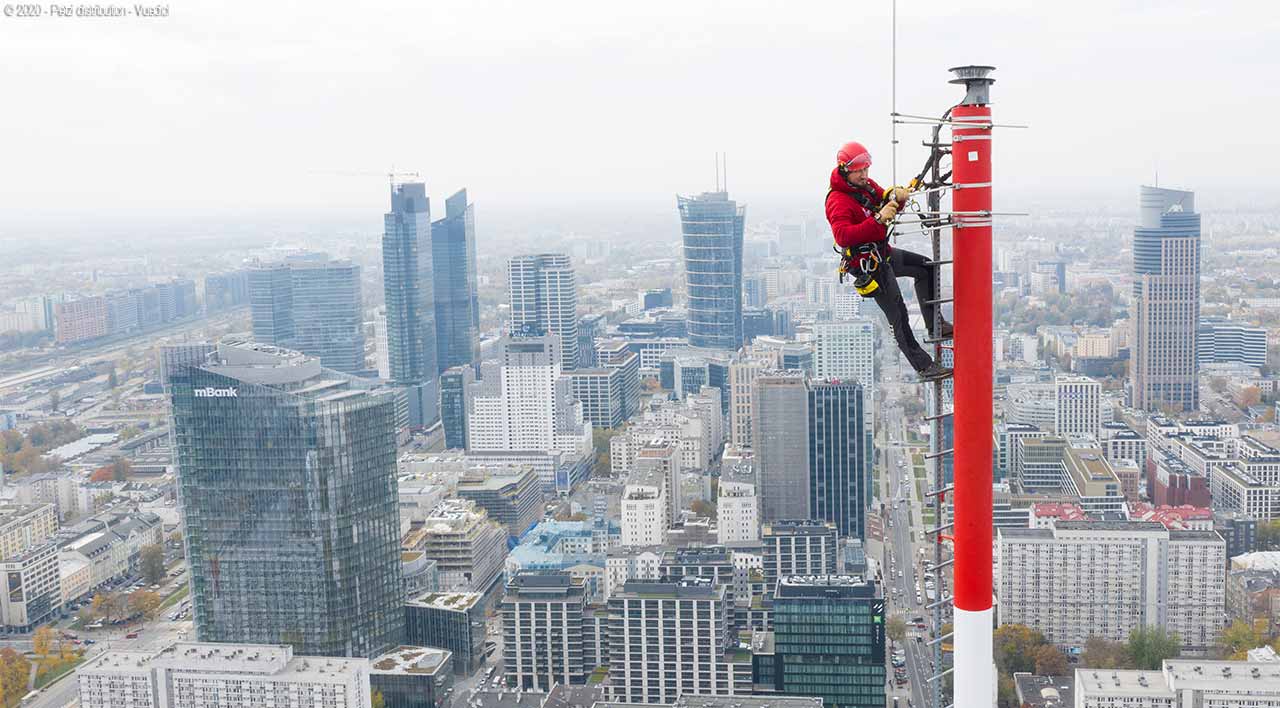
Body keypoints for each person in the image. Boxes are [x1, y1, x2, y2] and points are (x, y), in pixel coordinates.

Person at [825, 140, 952, 381]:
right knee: (898, 314)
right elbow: (843, 236)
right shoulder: (837, 201)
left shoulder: (865, 186)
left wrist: (897, 197)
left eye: (866, 169)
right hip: (868, 265)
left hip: (882, 253)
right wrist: (878, 220)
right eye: (859, 171)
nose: (864, 175)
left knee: (924, 267)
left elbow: (886, 203)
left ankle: (936, 325)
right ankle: (924, 367)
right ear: (845, 170)